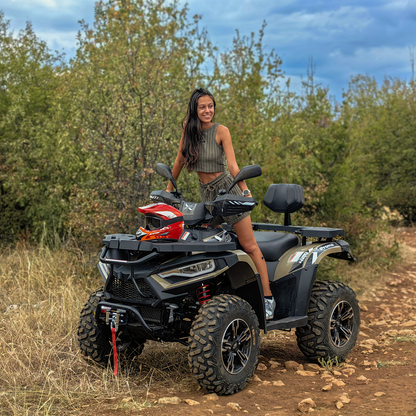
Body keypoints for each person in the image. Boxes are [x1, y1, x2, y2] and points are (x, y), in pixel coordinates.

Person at [166, 88, 276, 320]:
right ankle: (213, 302)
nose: (208, 111)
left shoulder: (221, 131)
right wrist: (168, 190)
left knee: (249, 245)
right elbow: (179, 160)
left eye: (211, 106)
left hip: (228, 190)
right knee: (207, 247)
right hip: (206, 195)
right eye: (202, 107)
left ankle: (267, 298)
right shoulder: (189, 130)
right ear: (195, 110)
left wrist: (244, 190)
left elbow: (233, 167)